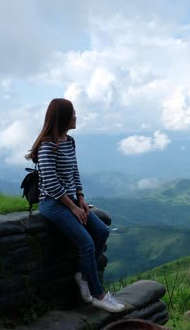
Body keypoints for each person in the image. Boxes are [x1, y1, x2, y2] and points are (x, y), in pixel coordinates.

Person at [25, 98, 125, 313]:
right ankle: (99, 295)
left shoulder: (69, 142)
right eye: (73, 113)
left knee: (102, 231)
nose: (76, 117)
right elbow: (50, 183)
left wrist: (80, 198)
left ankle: (82, 274)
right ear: (63, 117)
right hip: (53, 204)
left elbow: (75, 171)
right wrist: (72, 206)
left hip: (71, 200)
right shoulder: (47, 146)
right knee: (87, 244)